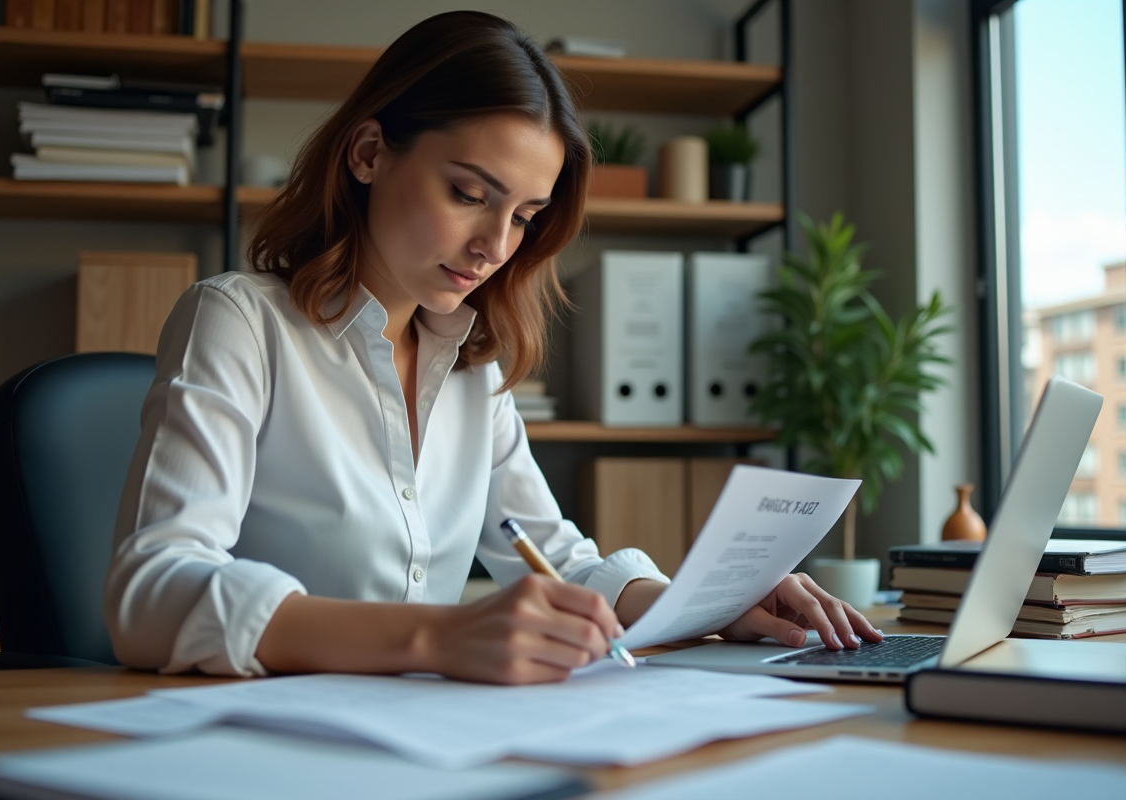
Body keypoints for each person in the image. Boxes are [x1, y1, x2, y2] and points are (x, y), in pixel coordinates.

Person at [104, 10, 882, 684]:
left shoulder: (473, 366)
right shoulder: (240, 322)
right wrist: (438, 636)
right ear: (369, 153)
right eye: (469, 195)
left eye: (523, 216)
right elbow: (151, 593)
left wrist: (709, 606)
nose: (492, 246)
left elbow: (558, 561)